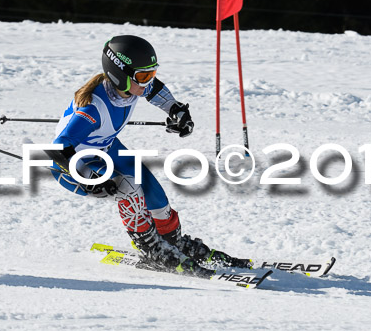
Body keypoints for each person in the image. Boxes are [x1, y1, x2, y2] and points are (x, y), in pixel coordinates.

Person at [47, 35, 251, 278]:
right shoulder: (93, 108)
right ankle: (152, 249)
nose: (148, 82)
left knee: (154, 193)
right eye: (143, 76)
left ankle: (171, 242)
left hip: (107, 148)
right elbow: (58, 148)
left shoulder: (131, 86)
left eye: (151, 73)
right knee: (129, 189)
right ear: (119, 74)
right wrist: (90, 178)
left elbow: (156, 91)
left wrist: (177, 111)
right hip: (74, 165)